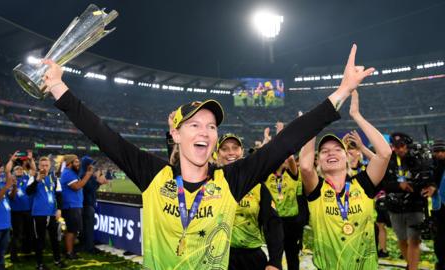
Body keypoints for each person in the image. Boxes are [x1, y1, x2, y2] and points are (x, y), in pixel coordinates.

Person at [42, 44, 374, 269]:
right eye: (195, 124)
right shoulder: (154, 175)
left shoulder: (231, 181)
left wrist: (342, 91)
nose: (204, 131)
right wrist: (59, 87)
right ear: (176, 134)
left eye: (211, 126)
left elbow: (287, 140)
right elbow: (102, 134)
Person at [299, 90, 392, 269]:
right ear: (319, 160)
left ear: (346, 157)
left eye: (337, 149)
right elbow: (304, 166)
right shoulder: (317, 189)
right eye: (324, 151)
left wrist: (356, 115)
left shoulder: (363, 184)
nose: (331, 152)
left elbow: (385, 153)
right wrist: (312, 124)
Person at [216, 133, 283, 270]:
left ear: (241, 152)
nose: (230, 152)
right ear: (217, 154)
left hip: (251, 259)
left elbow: (272, 224)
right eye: (225, 148)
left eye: (235, 148)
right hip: (216, 257)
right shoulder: (209, 183)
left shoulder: (257, 186)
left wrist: (275, 261)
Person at [381, 132, 436, 270]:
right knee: (402, 240)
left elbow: (431, 175)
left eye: (402, 146)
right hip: (395, 206)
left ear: (407, 145)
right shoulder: (388, 160)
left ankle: (412, 268)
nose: (399, 149)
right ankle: (411, 266)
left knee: (414, 240)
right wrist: (399, 185)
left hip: (415, 204)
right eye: (396, 146)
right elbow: (383, 183)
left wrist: (432, 186)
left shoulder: (418, 158)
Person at [263, 122, 304, 270]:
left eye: (285, 156)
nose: (283, 158)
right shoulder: (267, 176)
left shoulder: (292, 175)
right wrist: (267, 139)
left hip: (291, 222)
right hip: (274, 221)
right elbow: (263, 157)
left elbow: (291, 157)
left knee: (292, 255)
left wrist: (282, 134)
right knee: (275, 257)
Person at [26, 156, 66, 269]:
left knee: (55, 239)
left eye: (46, 165)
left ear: (49, 166)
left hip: (52, 214)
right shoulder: (33, 177)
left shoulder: (54, 178)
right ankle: (40, 264)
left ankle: (57, 260)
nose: (44, 167)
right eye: (42, 165)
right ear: (38, 166)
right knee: (40, 240)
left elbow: (59, 195)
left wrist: (59, 209)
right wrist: (37, 180)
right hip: (38, 214)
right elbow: (28, 192)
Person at [60, 154, 93, 259]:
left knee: (74, 230)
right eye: (76, 162)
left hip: (75, 205)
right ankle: (69, 253)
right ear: (70, 163)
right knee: (71, 230)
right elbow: (77, 186)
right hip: (71, 206)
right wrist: (88, 175)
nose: (78, 164)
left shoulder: (72, 173)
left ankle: (70, 251)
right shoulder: (68, 173)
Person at [5, 151, 35, 261]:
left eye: (21, 169)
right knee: (17, 234)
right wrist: (14, 189)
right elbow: (11, 197)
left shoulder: (27, 178)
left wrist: (31, 160)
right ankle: (14, 255)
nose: (19, 170)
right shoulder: (10, 180)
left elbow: (34, 170)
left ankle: (26, 251)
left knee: (29, 232)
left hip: (28, 210)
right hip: (16, 211)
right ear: (13, 171)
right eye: (17, 169)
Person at [80, 156, 108, 254]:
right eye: (91, 164)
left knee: (86, 228)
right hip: (87, 205)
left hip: (87, 204)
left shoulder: (87, 174)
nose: (93, 166)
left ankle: (85, 245)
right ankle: (89, 248)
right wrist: (98, 183)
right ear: (87, 165)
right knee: (88, 228)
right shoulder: (84, 174)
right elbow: (90, 188)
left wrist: (98, 182)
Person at [432, 139, 445, 270]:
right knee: (440, 240)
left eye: (442, 151)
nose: (440, 154)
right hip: (438, 208)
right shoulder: (431, 166)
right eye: (437, 151)